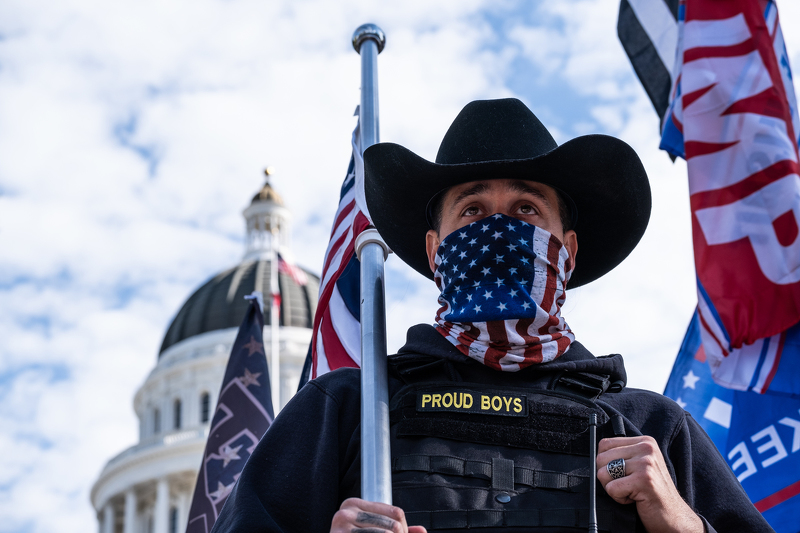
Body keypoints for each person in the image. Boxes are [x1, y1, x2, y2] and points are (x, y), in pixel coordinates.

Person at [210, 99, 774, 533]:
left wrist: (684, 522)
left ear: (567, 250)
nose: (498, 229)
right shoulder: (346, 412)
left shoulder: (654, 429)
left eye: (526, 209)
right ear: (435, 251)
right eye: (473, 211)